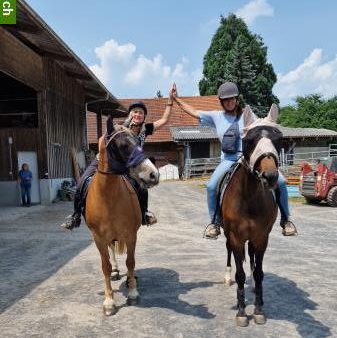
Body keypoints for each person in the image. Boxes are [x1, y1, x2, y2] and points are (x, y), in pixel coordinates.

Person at [171, 81, 297, 239]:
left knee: (282, 182)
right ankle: (214, 222)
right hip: (229, 160)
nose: (229, 102)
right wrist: (176, 99)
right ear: (221, 102)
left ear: (237, 99)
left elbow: (262, 127)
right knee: (211, 186)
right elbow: (194, 112)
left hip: (249, 160)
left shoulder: (248, 116)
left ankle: (286, 220)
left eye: (232, 99)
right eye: (226, 100)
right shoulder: (216, 117)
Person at [61, 90, 174, 230]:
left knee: (142, 189)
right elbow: (105, 140)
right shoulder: (121, 127)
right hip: (104, 161)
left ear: (144, 116)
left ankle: (144, 213)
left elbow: (164, 120)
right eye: (135, 111)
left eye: (141, 112)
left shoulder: (146, 128)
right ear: (130, 114)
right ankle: (76, 215)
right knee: (81, 183)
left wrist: (170, 101)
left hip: (130, 165)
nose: (138, 114)